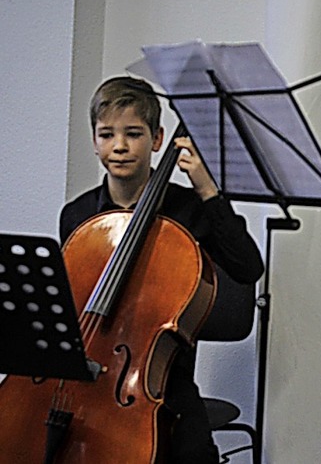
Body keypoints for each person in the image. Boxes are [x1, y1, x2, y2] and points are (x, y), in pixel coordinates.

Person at [59, 76, 265, 462]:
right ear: (94, 141)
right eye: (107, 135)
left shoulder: (188, 211)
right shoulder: (78, 216)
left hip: (164, 390)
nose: (119, 146)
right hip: (85, 382)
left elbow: (247, 266)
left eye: (133, 133)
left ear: (157, 140)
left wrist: (208, 191)